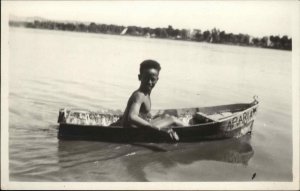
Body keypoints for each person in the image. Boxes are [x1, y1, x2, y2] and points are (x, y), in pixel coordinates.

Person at [122, 60, 185, 140]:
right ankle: (193, 129)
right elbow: (132, 117)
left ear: (157, 79)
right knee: (172, 119)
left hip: (138, 128)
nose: (149, 82)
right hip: (132, 132)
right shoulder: (139, 95)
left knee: (166, 116)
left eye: (152, 79)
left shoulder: (145, 93)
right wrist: (159, 129)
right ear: (140, 77)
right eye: (146, 78)